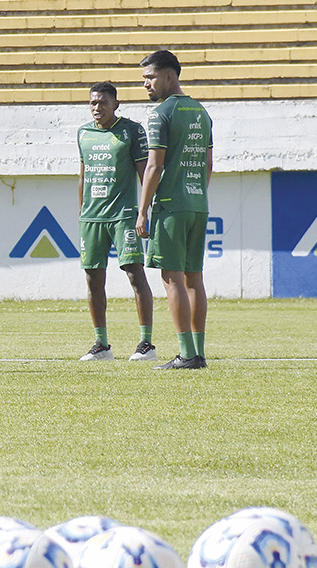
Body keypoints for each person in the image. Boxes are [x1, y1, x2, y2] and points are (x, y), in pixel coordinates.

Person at [135, 49, 213, 370]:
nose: (146, 85)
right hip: (198, 203)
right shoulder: (201, 111)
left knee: (172, 278)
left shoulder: (160, 114)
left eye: (150, 78)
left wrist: (143, 210)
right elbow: (208, 163)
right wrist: (195, 194)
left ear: (170, 76)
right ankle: (199, 352)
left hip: (171, 205)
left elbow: (154, 166)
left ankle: (186, 353)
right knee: (194, 278)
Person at [75, 81, 157, 362]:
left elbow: (145, 172)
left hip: (123, 215)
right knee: (93, 279)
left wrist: (143, 210)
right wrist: (81, 211)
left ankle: (146, 344)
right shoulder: (84, 134)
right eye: (93, 103)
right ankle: (102, 345)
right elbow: (83, 175)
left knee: (135, 274)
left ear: (116, 105)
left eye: (103, 103)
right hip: (92, 217)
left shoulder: (131, 131)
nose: (97, 108)